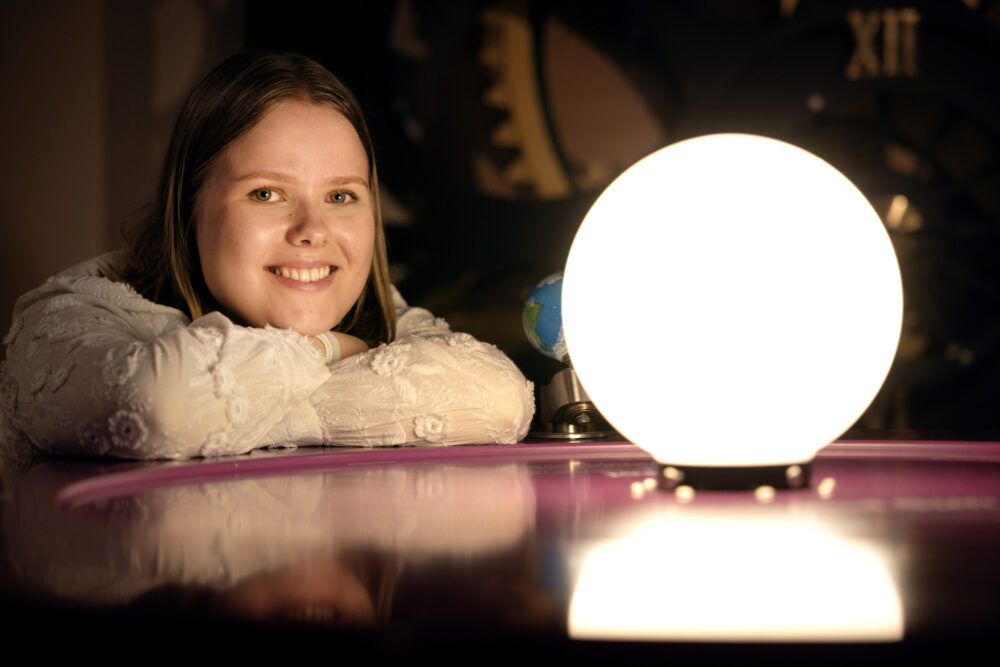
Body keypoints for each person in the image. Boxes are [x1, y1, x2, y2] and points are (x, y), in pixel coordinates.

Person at [0, 52, 533, 459]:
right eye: (266, 193)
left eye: (341, 195)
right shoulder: (69, 313)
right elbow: (162, 405)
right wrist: (326, 352)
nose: (312, 231)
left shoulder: (378, 309)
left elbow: (499, 399)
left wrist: (237, 406)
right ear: (189, 206)